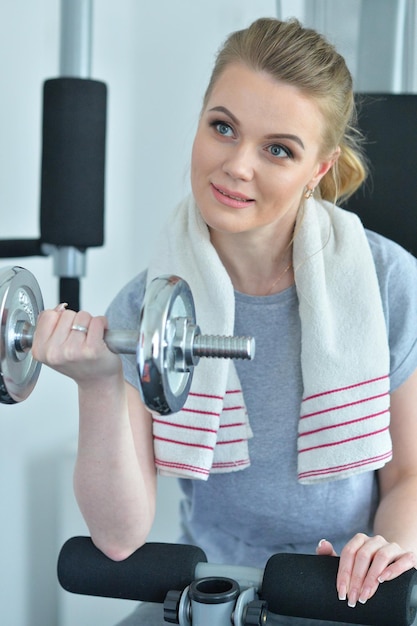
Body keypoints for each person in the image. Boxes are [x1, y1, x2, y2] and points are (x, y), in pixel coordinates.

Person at [32, 17, 417, 626]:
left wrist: (388, 552)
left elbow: (408, 474)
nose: (237, 165)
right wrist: (97, 383)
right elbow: (118, 537)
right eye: (223, 128)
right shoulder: (148, 306)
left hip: (348, 590)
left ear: (319, 169)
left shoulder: (388, 281)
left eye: (278, 149)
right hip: (214, 586)